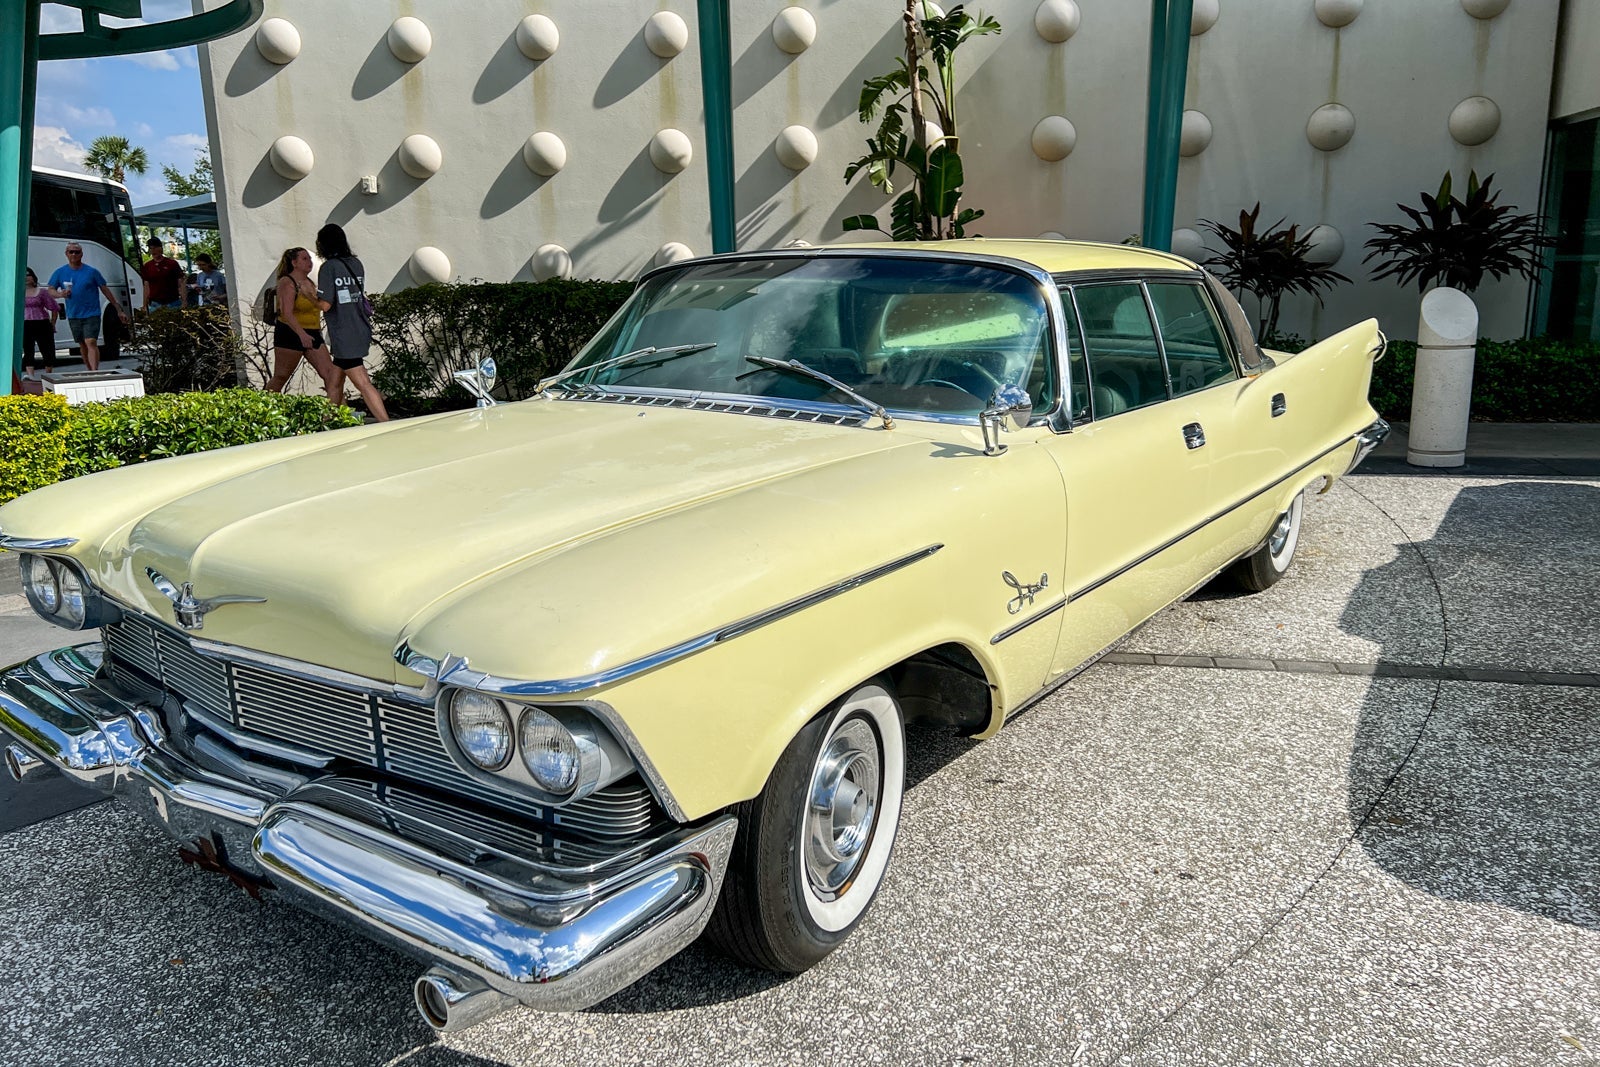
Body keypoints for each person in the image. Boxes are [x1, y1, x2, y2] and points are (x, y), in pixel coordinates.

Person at [315, 224, 389, 422]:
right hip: (359, 326)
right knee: (334, 382)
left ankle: (386, 424)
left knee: (362, 383)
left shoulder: (328, 268)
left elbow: (325, 305)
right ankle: (328, 422)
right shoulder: (356, 264)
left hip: (343, 332)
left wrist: (307, 294)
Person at [264, 246, 338, 402]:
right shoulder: (287, 282)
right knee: (281, 376)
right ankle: (260, 407)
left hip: (313, 332)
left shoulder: (309, 283)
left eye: (310, 258)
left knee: (330, 373)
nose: (309, 262)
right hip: (290, 332)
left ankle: (339, 410)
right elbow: (286, 312)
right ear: (294, 263)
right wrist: (302, 334)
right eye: (304, 259)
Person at [47, 242, 130, 371]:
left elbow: (105, 290)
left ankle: (95, 371)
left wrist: (118, 309)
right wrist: (60, 294)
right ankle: (89, 370)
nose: (74, 254)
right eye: (71, 252)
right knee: (82, 344)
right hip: (74, 314)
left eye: (77, 252)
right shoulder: (60, 272)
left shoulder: (91, 272)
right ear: (66, 254)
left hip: (92, 313)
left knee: (90, 341)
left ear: (81, 254)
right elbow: (50, 290)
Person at [21, 268, 61, 379]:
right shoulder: (18, 292)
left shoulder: (42, 292)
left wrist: (53, 322)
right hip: (25, 323)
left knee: (46, 348)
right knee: (28, 349)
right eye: (24, 276)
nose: (26, 278)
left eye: (28, 275)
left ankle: (48, 373)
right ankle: (30, 375)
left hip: (41, 322)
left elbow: (54, 307)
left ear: (33, 277)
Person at [140, 236, 186, 312]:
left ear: (160, 249)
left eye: (155, 248)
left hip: (172, 301)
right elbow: (146, 286)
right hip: (155, 303)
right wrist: (144, 304)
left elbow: (181, 283)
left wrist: (184, 301)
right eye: (151, 248)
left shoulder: (172, 264)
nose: (153, 250)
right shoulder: (147, 266)